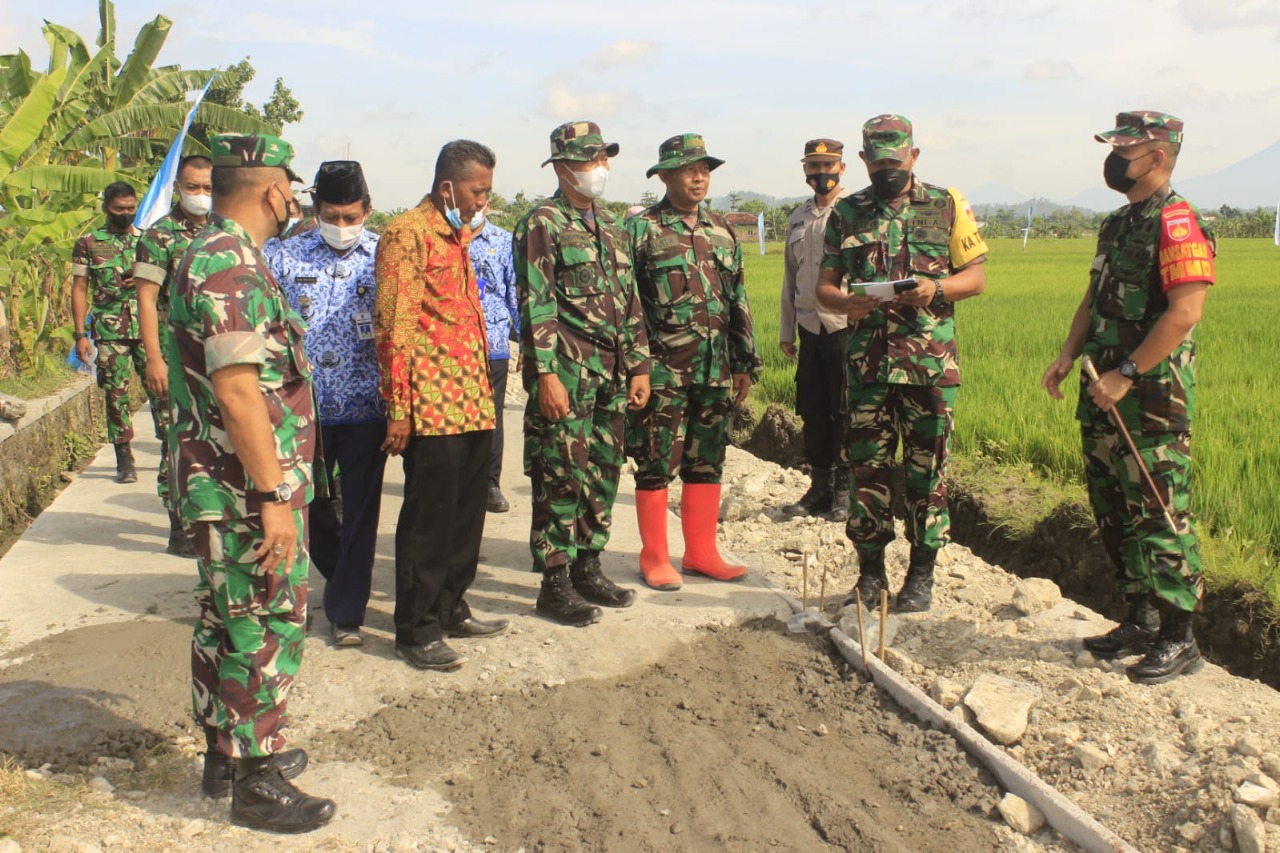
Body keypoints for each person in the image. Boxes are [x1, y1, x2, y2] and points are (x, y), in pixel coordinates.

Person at [167, 133, 334, 832]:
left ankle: (225, 750)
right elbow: (239, 393)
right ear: (272, 190)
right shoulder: (229, 264)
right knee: (264, 622)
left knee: (224, 621)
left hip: (226, 483)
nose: (294, 199)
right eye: (290, 187)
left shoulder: (220, 255)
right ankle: (255, 780)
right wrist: (273, 498)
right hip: (241, 487)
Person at [1041, 111, 1213, 685]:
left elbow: (1185, 313)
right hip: (1101, 388)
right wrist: (1068, 353)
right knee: (1114, 509)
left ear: (1156, 156)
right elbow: (1093, 298)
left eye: (1125, 149)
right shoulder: (1117, 224)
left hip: (1149, 399)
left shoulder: (1178, 222)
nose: (1113, 158)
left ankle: (1180, 636)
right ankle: (1137, 619)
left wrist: (1129, 374)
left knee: (1161, 513)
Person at [816, 115, 988, 613]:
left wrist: (938, 289)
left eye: (896, 161)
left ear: (913, 157)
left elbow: (975, 278)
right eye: (878, 163)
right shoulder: (847, 213)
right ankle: (870, 575)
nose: (887, 170)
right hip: (867, 366)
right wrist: (846, 303)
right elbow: (823, 288)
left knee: (926, 471)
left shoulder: (947, 205)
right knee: (866, 469)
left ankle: (921, 574)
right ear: (865, 161)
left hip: (930, 368)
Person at [375, 140, 508, 671]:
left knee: (466, 513)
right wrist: (398, 407)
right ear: (448, 186)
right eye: (478, 191)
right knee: (428, 521)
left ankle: (453, 606)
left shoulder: (458, 236)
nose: (483, 202)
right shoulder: (406, 235)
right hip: (431, 405)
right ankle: (416, 627)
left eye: (488, 192)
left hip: (472, 399)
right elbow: (394, 327)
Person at [515, 120, 651, 626]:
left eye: (603, 158)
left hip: (613, 375)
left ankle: (589, 566)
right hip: (568, 372)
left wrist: (640, 366)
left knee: (602, 471)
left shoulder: (611, 225)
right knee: (560, 473)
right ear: (563, 167)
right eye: (591, 159)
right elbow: (536, 303)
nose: (601, 168)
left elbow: (630, 301)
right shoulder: (542, 222)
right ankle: (554, 581)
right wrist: (545, 375)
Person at [627, 133, 761, 591]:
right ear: (664, 176)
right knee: (656, 459)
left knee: (708, 459)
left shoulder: (722, 229)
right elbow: (628, 305)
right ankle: (655, 557)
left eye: (704, 168)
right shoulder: (641, 230)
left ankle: (702, 553)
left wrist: (744, 359)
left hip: (715, 366)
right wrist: (636, 366)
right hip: (664, 368)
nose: (699, 176)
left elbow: (737, 296)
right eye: (688, 169)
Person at [269, 161, 387, 649]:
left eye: (351, 216)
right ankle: (340, 579)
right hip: (302, 408)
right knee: (308, 507)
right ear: (315, 211)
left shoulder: (386, 256)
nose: (342, 226)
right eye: (332, 216)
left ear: (367, 210)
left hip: (366, 406)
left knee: (361, 510)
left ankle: (345, 612)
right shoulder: (282, 256)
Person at [133, 155, 213, 558]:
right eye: (193, 187)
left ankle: (209, 517)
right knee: (174, 439)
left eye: (209, 188)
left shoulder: (223, 233)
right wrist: (154, 360)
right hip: (175, 357)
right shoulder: (159, 236)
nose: (201, 196)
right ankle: (179, 525)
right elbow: (146, 300)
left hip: (215, 358)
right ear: (179, 187)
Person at [71, 182, 163, 485]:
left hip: (149, 330)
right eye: (118, 210)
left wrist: (140, 279)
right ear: (106, 209)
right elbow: (80, 288)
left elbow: (167, 280)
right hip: (111, 332)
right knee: (116, 395)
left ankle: (170, 449)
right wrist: (80, 334)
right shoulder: (89, 243)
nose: (125, 215)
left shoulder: (148, 241)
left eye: (130, 209)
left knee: (161, 392)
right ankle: (124, 457)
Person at [780, 138, 852, 522]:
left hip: (844, 327)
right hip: (810, 326)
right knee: (812, 407)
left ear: (842, 168)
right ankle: (819, 485)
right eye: (813, 167)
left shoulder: (854, 214)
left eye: (828, 165)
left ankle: (844, 490)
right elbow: (789, 278)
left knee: (843, 408)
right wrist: (786, 329)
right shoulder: (798, 218)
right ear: (805, 170)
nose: (820, 173)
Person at [469, 216, 520, 513]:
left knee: (491, 414)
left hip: (493, 341)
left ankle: (489, 483)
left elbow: (514, 290)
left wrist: (525, 338)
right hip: (449, 347)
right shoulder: (441, 236)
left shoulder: (502, 240)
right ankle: (459, 480)